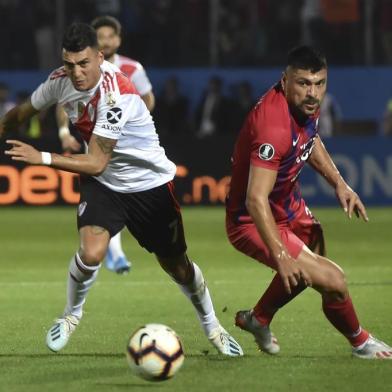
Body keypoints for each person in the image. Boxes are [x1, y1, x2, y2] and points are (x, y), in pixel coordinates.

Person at [0, 22, 243, 357]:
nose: (77, 72)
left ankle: (213, 326)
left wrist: (41, 157)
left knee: (177, 267)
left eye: (84, 63)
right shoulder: (60, 81)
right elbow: (22, 113)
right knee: (91, 254)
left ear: (100, 57)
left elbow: (97, 160)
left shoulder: (118, 93)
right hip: (105, 185)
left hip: (148, 186)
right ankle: (71, 315)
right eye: (70, 64)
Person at [225, 45, 392, 359]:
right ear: (285, 81)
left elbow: (310, 140)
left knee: (313, 262)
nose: (313, 93)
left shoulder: (305, 106)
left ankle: (258, 319)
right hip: (254, 221)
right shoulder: (272, 125)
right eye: (303, 83)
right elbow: (255, 199)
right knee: (333, 280)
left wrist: (339, 183)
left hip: (290, 208)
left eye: (319, 83)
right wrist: (279, 252)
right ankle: (362, 343)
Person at [57, 15, 156, 275]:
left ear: (118, 40)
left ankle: (115, 252)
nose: (106, 41)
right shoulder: (80, 72)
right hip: (99, 145)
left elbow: (148, 98)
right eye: (100, 37)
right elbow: (62, 101)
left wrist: (133, 125)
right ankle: (117, 254)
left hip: (129, 148)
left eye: (110, 36)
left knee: (125, 195)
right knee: (107, 196)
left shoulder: (133, 68)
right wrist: (64, 131)